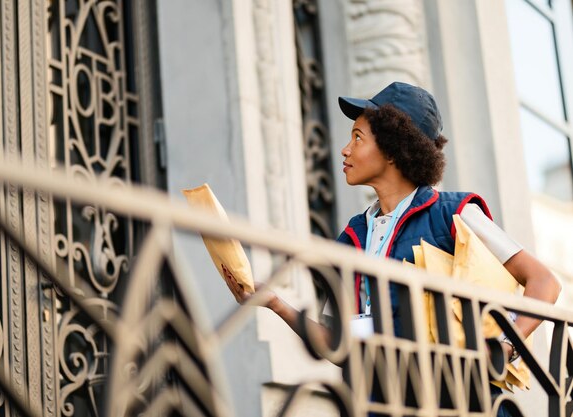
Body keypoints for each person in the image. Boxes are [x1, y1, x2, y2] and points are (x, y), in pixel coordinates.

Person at [224, 81, 561, 416]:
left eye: (358, 138)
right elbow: (343, 340)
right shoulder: (353, 237)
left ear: (393, 149)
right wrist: (274, 303)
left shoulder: (455, 214)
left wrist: (503, 347)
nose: (345, 150)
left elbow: (544, 283)